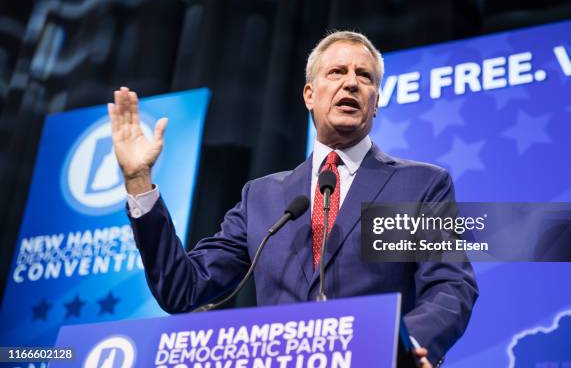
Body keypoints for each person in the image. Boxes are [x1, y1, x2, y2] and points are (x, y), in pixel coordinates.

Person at [107, 31, 478, 367]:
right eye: (336, 72)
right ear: (309, 95)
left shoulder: (419, 185)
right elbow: (183, 289)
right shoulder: (262, 197)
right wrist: (139, 180)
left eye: (364, 77)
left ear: (376, 102)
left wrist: (404, 348)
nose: (351, 82)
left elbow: (450, 286)